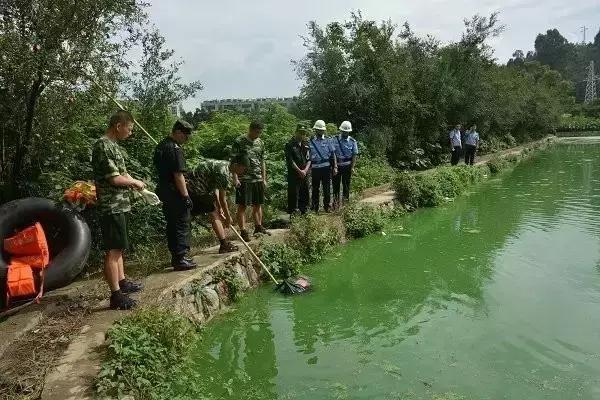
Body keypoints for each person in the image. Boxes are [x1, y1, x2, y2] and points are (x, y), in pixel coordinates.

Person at [91, 110, 145, 310]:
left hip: (120, 203)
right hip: (111, 205)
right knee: (113, 250)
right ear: (118, 126)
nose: (130, 133)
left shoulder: (113, 146)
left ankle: (122, 282)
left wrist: (138, 186)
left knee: (120, 246)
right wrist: (134, 182)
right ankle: (115, 295)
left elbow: (123, 173)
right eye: (129, 129)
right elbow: (114, 178)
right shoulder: (103, 146)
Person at [153, 120, 196, 270]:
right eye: (185, 136)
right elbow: (178, 175)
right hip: (174, 191)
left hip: (164, 189)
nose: (186, 140)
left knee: (172, 224)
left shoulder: (162, 145)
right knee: (181, 223)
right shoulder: (174, 148)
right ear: (178, 132)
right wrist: (185, 196)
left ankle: (177, 257)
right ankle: (180, 257)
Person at [186, 158, 238, 254]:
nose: (242, 172)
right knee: (213, 212)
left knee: (213, 210)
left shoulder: (225, 165)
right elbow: (223, 199)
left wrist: (220, 207)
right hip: (194, 187)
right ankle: (224, 245)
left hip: (196, 185)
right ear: (236, 165)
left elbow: (215, 189)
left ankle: (223, 244)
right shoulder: (224, 173)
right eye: (243, 168)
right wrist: (228, 217)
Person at [230, 120, 269, 242]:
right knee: (242, 206)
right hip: (244, 179)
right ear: (251, 129)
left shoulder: (260, 142)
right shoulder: (239, 141)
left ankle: (258, 226)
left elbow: (262, 161)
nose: (258, 134)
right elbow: (233, 161)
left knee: (258, 204)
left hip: (257, 178)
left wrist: (264, 178)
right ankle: (243, 231)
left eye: (260, 132)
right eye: (257, 132)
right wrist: (235, 177)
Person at [309, 120, 337, 213]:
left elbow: (333, 155)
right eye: (319, 130)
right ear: (316, 130)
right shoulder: (311, 141)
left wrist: (335, 167)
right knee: (315, 189)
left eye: (322, 130)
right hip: (315, 168)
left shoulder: (328, 140)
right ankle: (315, 207)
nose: (321, 131)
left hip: (326, 167)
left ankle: (327, 207)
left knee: (327, 188)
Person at [285, 122, 311, 215]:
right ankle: (294, 218)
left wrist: (305, 171)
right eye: (300, 132)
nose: (302, 135)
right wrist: (300, 171)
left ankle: (305, 215)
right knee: (294, 197)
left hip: (305, 174)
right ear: (296, 132)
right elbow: (291, 161)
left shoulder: (306, 144)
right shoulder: (289, 145)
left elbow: (309, 159)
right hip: (294, 175)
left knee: (305, 195)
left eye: (304, 133)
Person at [332, 120, 358, 208]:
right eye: (343, 131)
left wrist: (352, 167)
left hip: (347, 166)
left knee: (346, 185)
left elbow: (354, 155)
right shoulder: (334, 139)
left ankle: (345, 204)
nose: (345, 133)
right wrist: (335, 166)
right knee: (336, 186)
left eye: (346, 132)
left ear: (349, 132)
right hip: (337, 166)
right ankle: (336, 204)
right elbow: (333, 153)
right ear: (341, 130)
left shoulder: (352, 141)